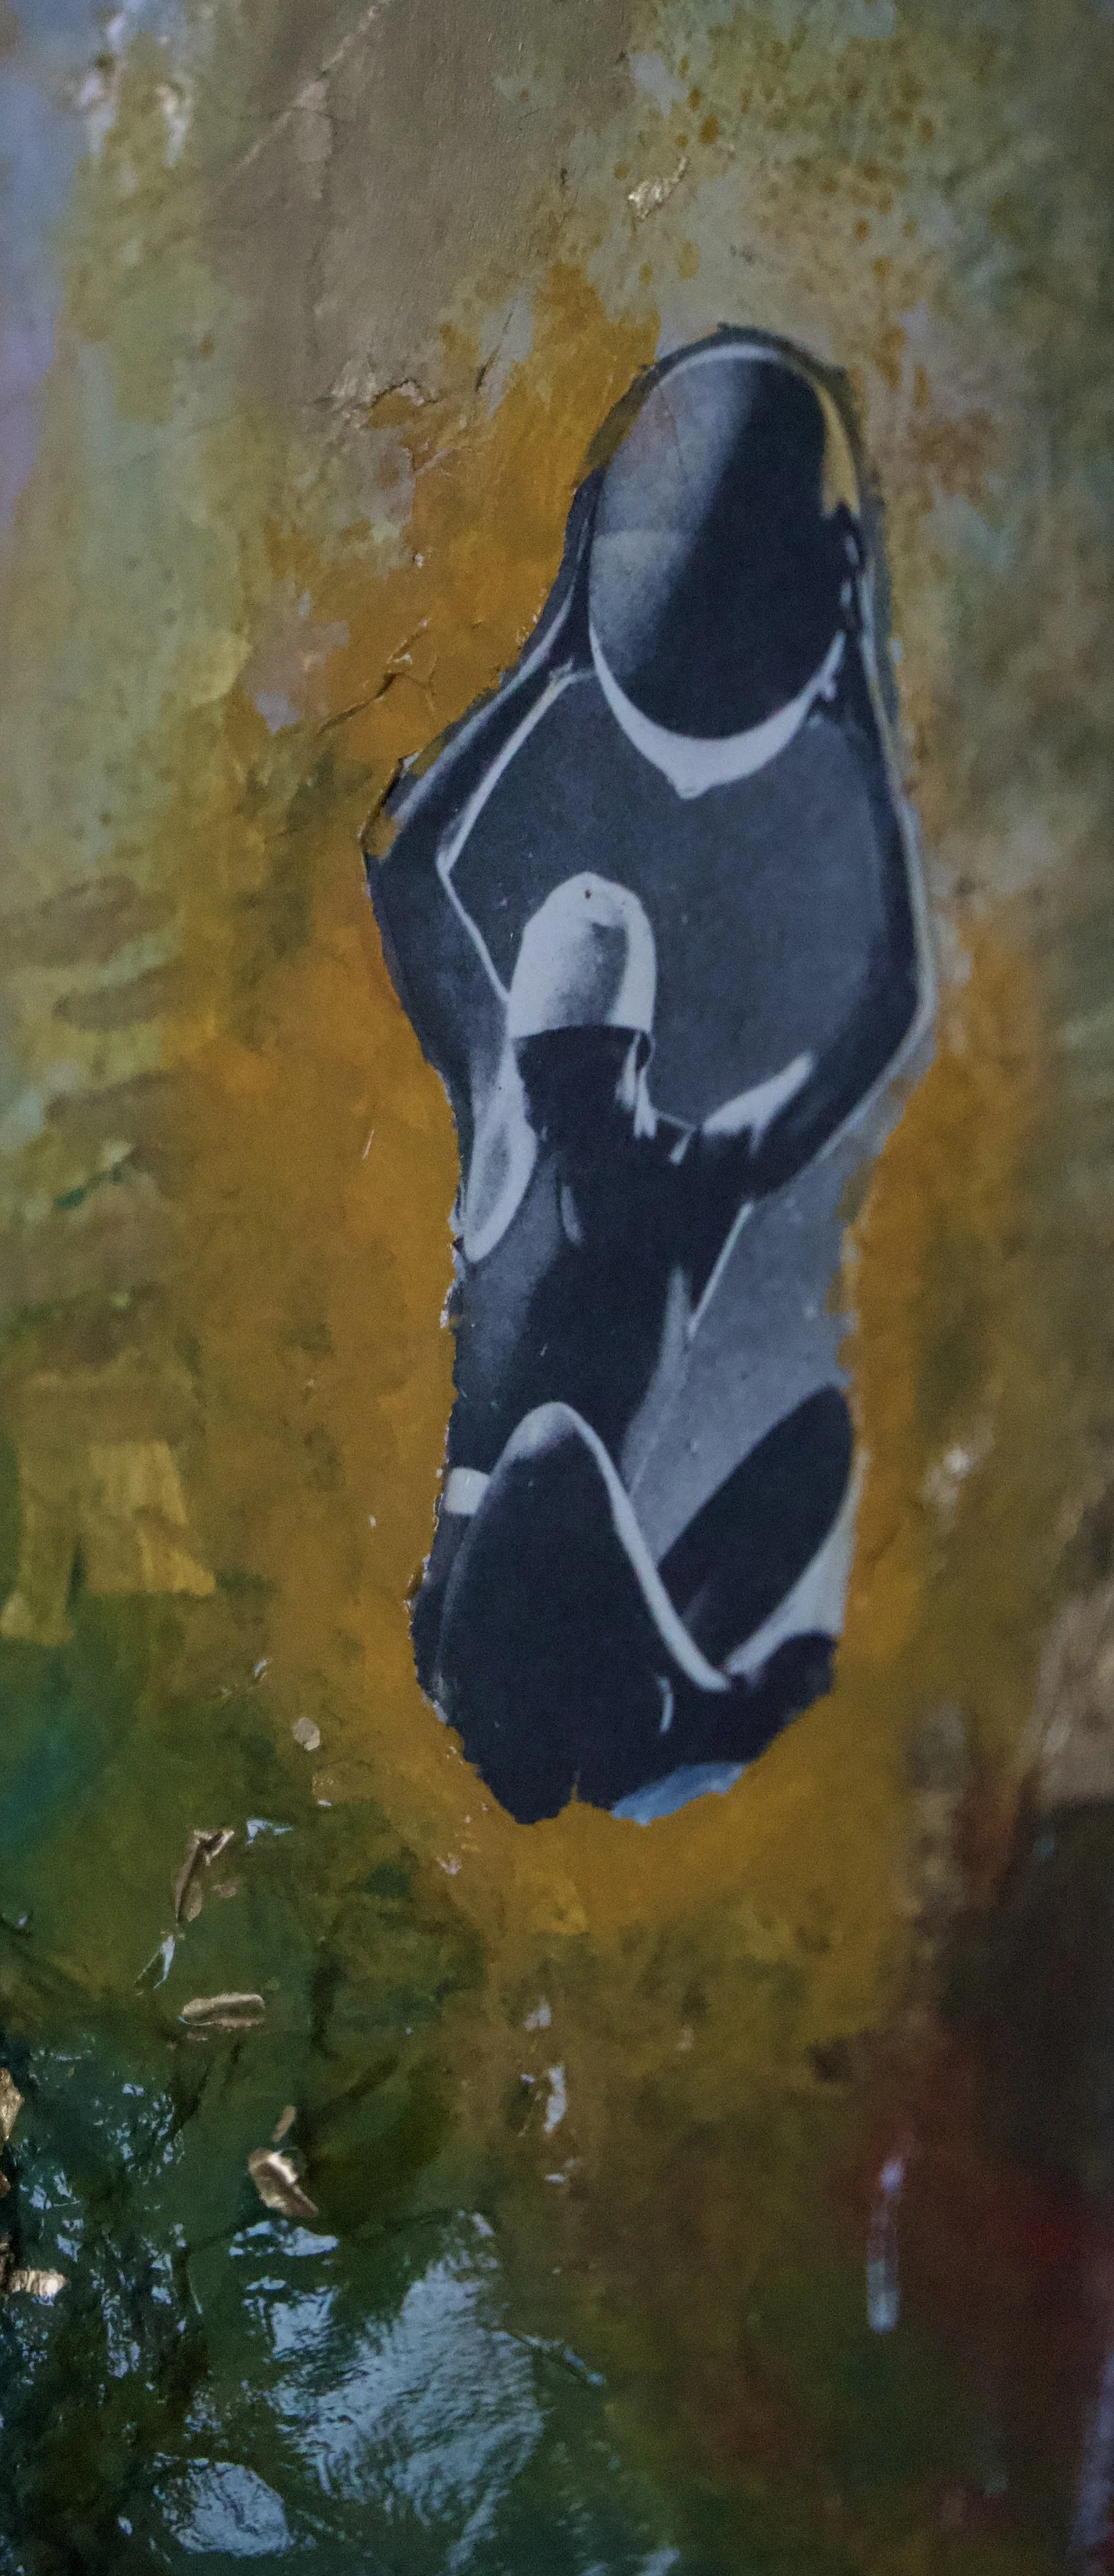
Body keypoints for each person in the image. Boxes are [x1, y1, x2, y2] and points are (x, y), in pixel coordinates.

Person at [365, 334, 928, 1822]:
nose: (557, 1093)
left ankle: (666, 1703)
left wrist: (857, 686)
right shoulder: (500, 1117)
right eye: (541, 1063)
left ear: (632, 1053)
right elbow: (407, 863)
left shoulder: (692, 1180)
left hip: (600, 1647)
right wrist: (553, 652)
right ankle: (692, 1711)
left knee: (813, 1442)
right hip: (473, 1664)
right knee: (549, 1448)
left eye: (581, 1063)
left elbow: (888, 1009)